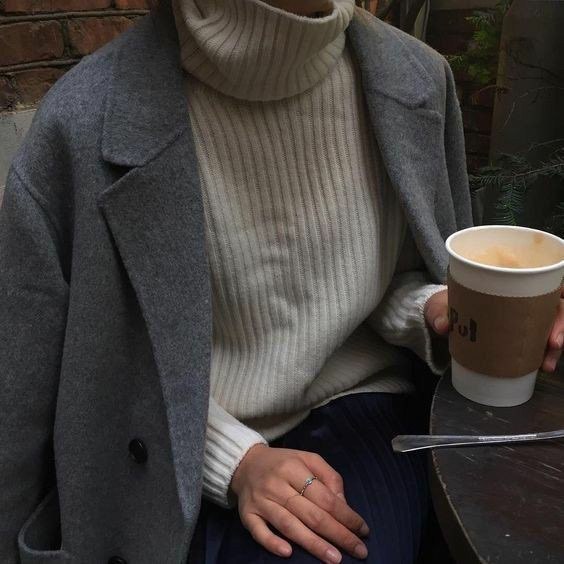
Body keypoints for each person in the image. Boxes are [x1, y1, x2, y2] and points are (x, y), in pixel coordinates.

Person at [1, 0, 562, 563]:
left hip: (360, 409)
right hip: (167, 447)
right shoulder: (79, 125)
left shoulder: (416, 79)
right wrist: (234, 460)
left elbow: (391, 278)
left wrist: (439, 309)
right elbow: (65, 381)